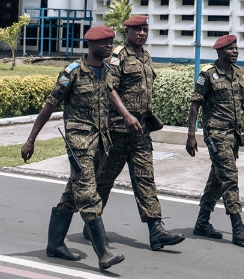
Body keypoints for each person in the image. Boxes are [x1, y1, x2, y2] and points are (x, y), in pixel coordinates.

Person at [21, 26, 128, 270]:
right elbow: (49, 105)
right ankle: (104, 253)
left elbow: (111, 93)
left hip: (101, 142)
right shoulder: (73, 73)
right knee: (88, 194)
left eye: (111, 42)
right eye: (104, 43)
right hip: (80, 144)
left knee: (73, 193)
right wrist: (31, 140)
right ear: (90, 45)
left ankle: (54, 244)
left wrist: (127, 116)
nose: (110, 46)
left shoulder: (108, 70)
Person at [93, 14, 184, 251]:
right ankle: (91, 222)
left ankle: (156, 231)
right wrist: (126, 115)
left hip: (141, 131)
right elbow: (108, 87)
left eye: (145, 29)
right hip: (118, 130)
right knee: (104, 180)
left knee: (145, 179)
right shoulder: (118, 56)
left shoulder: (146, 57)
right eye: (137, 30)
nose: (142, 33)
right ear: (128, 33)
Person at [186, 34, 244, 245]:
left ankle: (202, 223)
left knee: (217, 179)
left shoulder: (237, 73)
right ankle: (238, 227)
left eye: (236, 48)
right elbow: (195, 105)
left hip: (233, 136)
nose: (235, 51)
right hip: (216, 135)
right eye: (231, 49)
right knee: (230, 178)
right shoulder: (206, 75)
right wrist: (191, 136)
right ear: (220, 52)